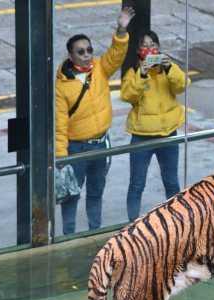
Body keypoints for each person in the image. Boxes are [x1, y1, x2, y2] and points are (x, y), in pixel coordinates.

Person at [55, 7, 135, 235]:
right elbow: (59, 125)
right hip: (76, 148)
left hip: (101, 144)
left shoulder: (99, 68)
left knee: (96, 192)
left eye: (89, 49)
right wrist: (61, 157)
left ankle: (94, 234)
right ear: (71, 56)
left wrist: (121, 29)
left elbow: (116, 54)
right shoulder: (62, 86)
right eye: (81, 52)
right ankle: (69, 237)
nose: (87, 54)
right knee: (71, 195)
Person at [120, 30, 189, 222]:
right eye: (145, 45)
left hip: (168, 133)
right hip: (142, 135)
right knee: (136, 184)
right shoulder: (134, 72)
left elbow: (182, 85)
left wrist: (169, 68)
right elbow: (128, 95)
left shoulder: (167, 69)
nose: (150, 49)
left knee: (171, 181)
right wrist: (142, 72)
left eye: (153, 45)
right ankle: (132, 224)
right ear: (138, 50)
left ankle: (177, 220)